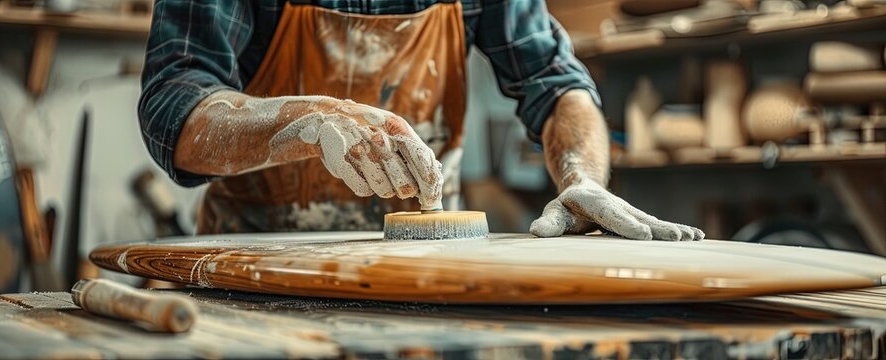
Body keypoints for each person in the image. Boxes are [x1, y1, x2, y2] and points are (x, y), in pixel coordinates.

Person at [138, 0, 704, 241]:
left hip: (428, 262)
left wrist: (581, 176)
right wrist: (309, 119)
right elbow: (174, 105)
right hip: (257, 266)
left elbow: (558, 85)